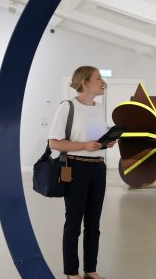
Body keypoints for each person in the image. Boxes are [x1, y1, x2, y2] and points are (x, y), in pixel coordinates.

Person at [48, 66, 116, 279]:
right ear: (85, 82)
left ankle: (91, 270)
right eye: (98, 78)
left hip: (98, 169)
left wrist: (105, 144)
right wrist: (85, 146)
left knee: (94, 224)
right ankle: (71, 272)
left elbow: (93, 141)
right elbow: (54, 142)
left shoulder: (98, 107)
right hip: (75, 167)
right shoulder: (67, 107)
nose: (103, 82)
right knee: (74, 223)